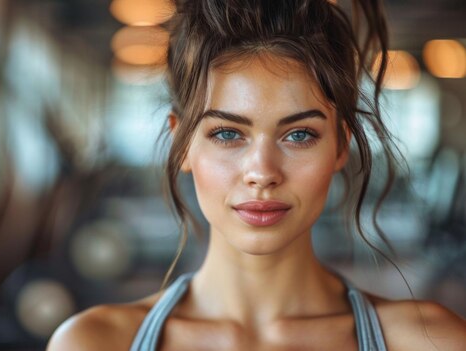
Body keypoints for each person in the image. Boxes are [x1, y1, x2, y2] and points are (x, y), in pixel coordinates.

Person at [48, 0, 466, 350]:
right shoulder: (94, 343)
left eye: (299, 134)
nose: (262, 172)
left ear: (340, 145)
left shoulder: (429, 341)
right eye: (228, 133)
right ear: (184, 145)